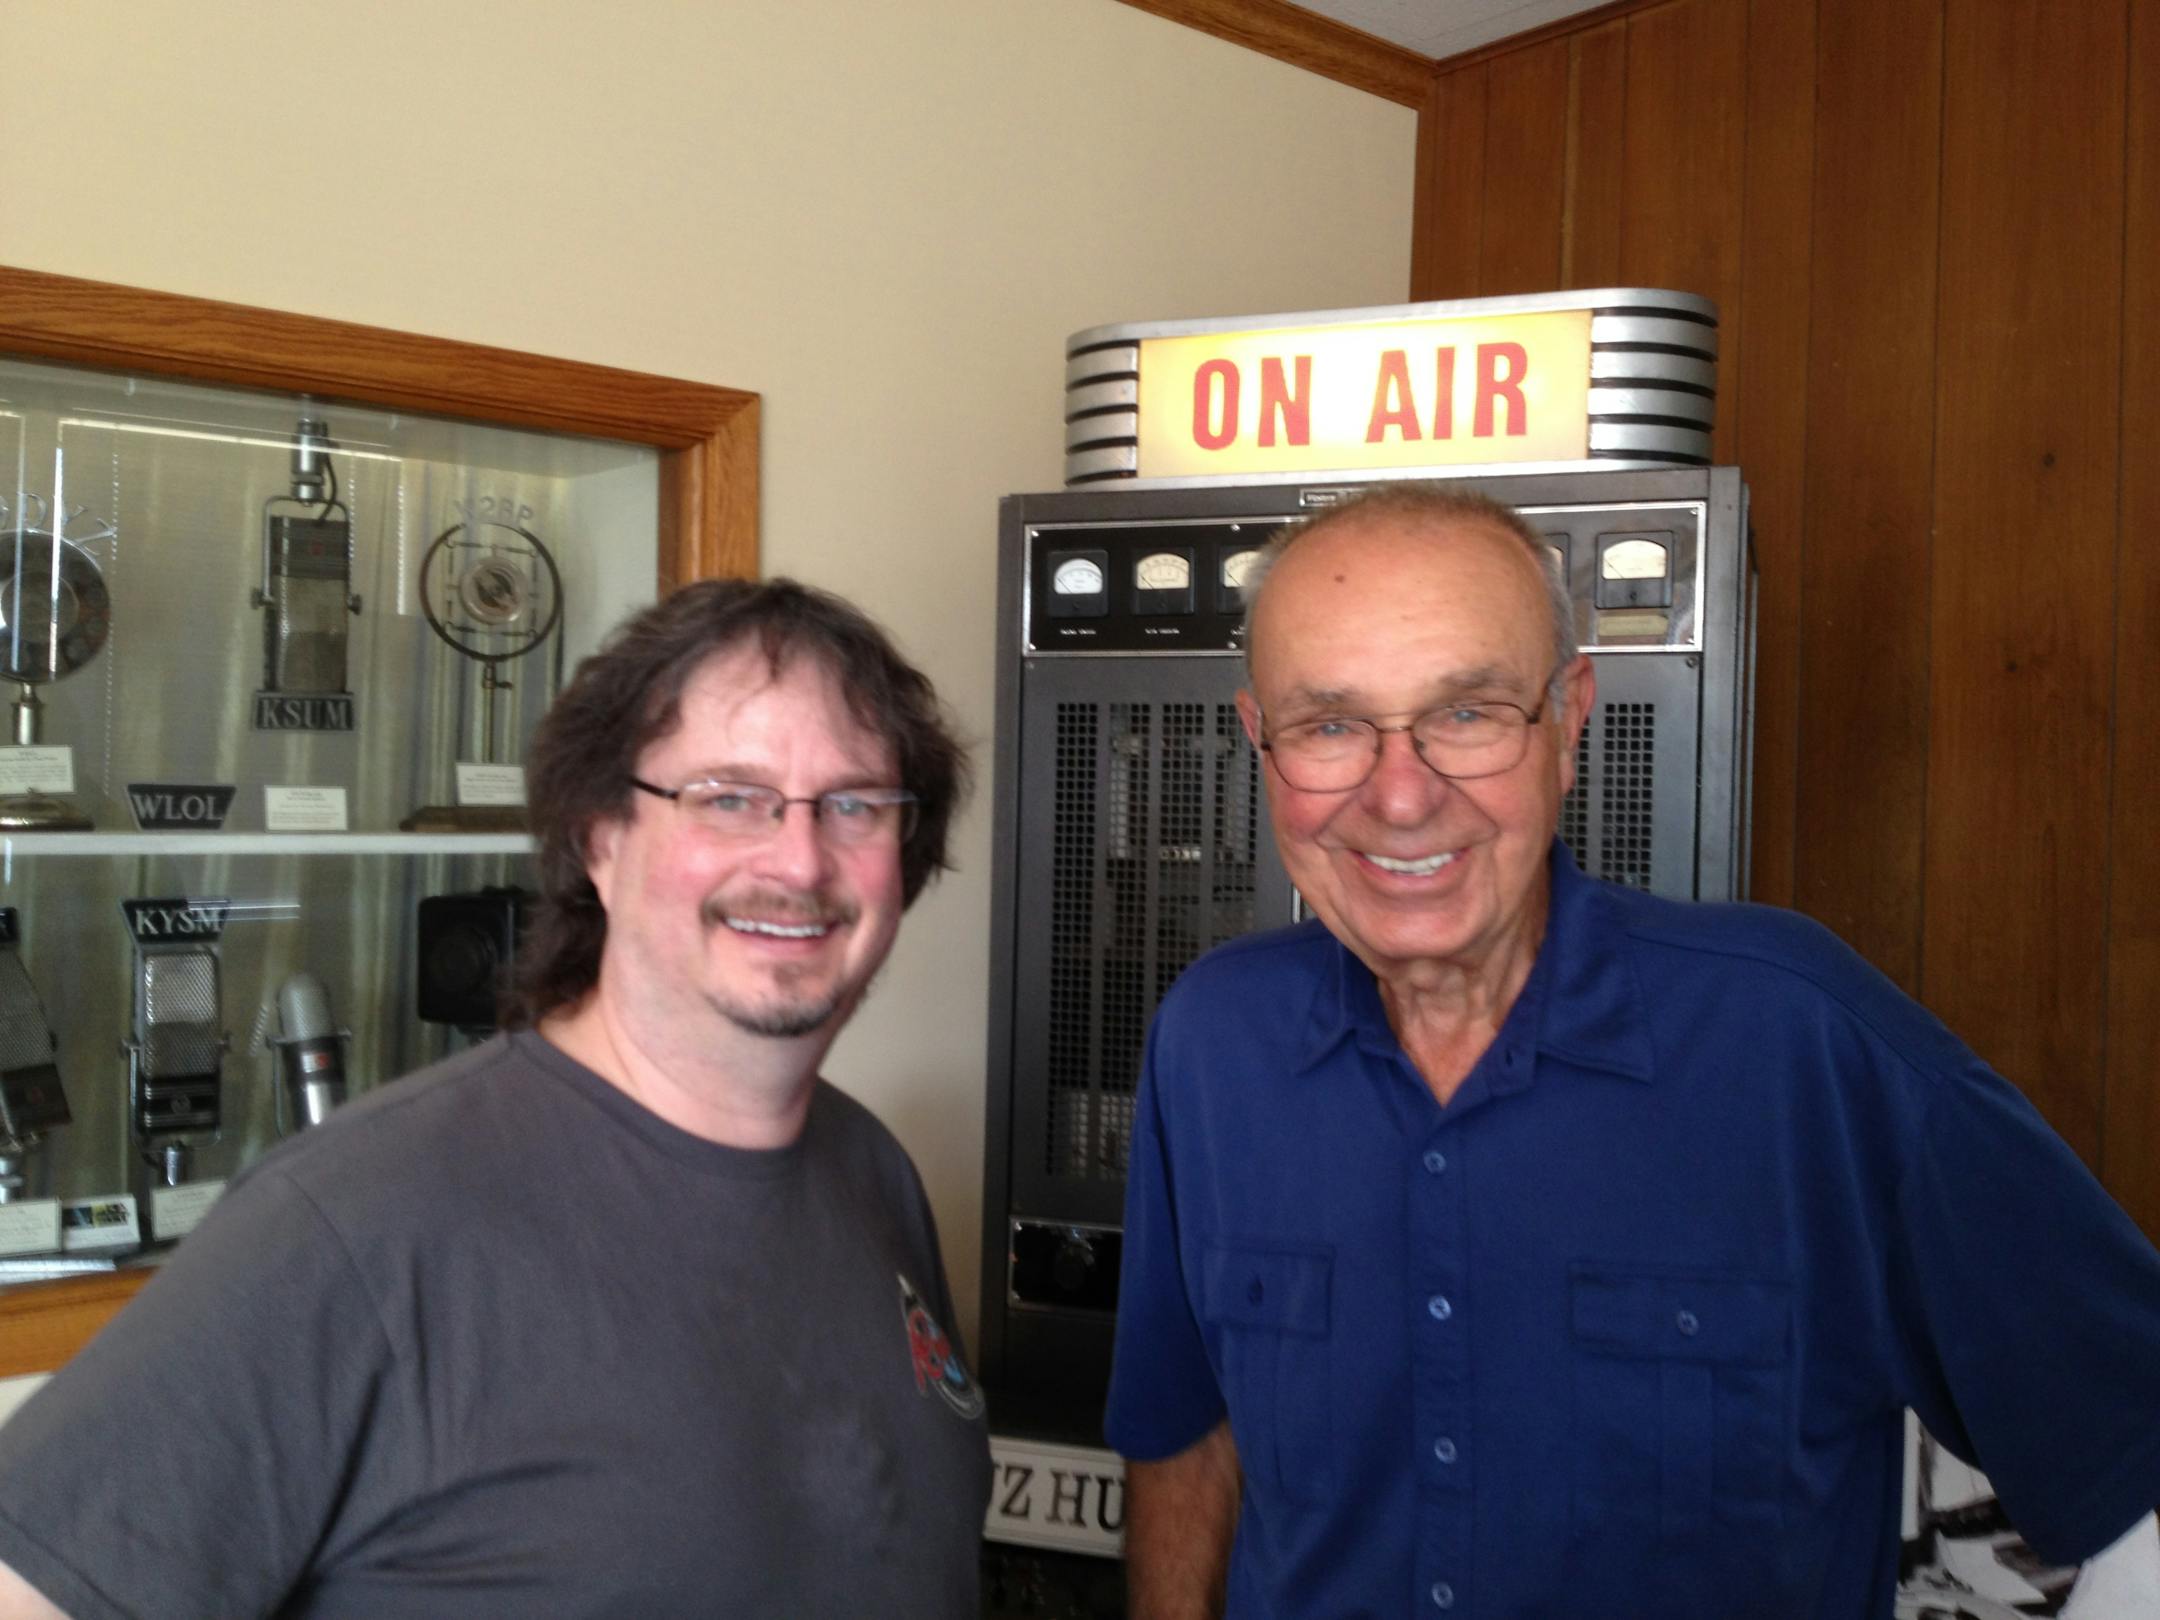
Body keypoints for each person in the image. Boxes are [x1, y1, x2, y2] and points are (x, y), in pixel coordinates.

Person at [1104, 484, 2160, 1619]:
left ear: (1570, 719)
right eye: (1330, 726)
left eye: (1466, 714)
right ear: (1260, 744)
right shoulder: (1212, 1041)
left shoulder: (1800, 1042)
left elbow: (2127, 1460)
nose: (1399, 796)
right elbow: (1186, 1429)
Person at [0, 578, 992, 1619]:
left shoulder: (872, 1171)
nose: (798, 857)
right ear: (601, 839)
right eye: (728, 797)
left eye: (854, 803)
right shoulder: (357, 1220)